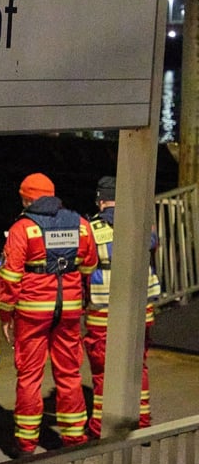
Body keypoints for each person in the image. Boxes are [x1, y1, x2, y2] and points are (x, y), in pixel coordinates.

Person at [0, 173, 98, 456]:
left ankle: (26, 443)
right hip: (69, 309)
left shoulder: (23, 227)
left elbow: (10, 275)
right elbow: (89, 265)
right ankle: (74, 437)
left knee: (29, 376)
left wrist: (5, 313)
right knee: (69, 373)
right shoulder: (80, 224)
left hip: (32, 311)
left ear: (27, 198)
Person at [84, 176, 162, 437]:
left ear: (101, 200)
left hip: (103, 310)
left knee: (102, 371)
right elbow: (153, 243)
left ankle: (99, 430)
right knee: (137, 365)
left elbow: (84, 265)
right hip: (141, 306)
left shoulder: (92, 229)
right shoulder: (140, 223)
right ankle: (142, 423)